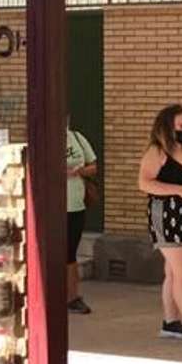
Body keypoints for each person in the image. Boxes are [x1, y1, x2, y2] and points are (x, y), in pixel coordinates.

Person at [136, 105, 182, 345]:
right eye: (180, 126)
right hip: (167, 216)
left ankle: (170, 321)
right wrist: (177, 191)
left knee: (172, 272)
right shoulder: (157, 152)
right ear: (167, 127)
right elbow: (144, 183)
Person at [65, 121, 98, 315]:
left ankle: (73, 297)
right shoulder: (43, 138)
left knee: (70, 252)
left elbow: (93, 166)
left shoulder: (76, 137)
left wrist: (80, 171)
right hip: (52, 206)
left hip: (76, 205)